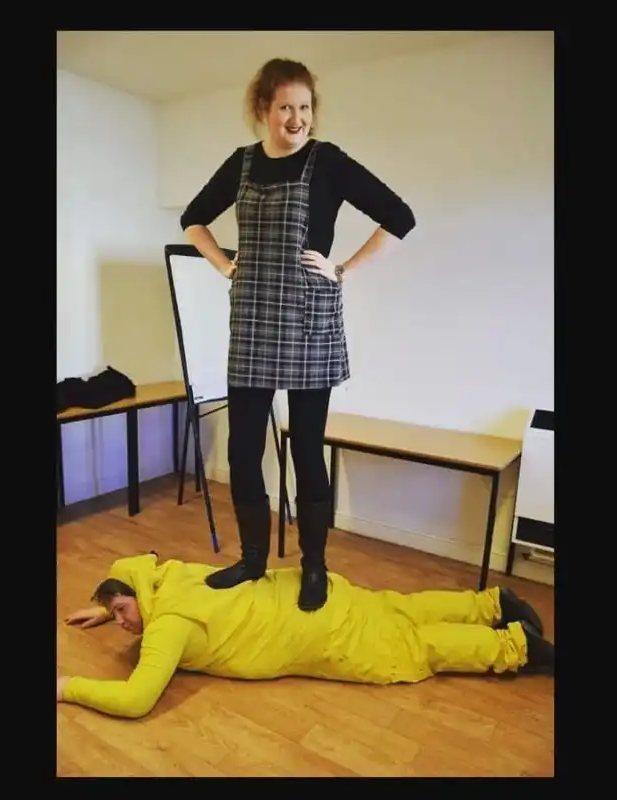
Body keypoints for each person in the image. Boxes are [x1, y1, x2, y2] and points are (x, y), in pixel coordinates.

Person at [178, 58, 416, 612]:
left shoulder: (326, 161)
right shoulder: (240, 164)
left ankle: (314, 567)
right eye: (285, 106)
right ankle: (252, 560)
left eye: (305, 107)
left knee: (307, 449)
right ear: (263, 108)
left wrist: (342, 268)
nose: (297, 118)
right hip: (253, 322)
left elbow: (399, 215)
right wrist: (223, 264)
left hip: (310, 322)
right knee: (242, 451)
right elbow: (193, 218)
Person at [57, 553, 554, 720]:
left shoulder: (169, 625)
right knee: (396, 607)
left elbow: (136, 700)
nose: (124, 622)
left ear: (138, 596)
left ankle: (518, 647)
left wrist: (67, 688)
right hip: (309, 589)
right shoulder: (169, 575)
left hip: (313, 630)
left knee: (408, 646)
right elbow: (138, 573)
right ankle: (492, 604)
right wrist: (108, 609)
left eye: (122, 611)